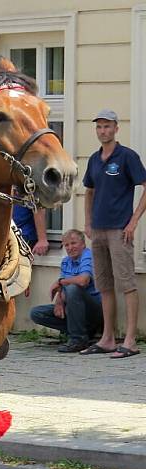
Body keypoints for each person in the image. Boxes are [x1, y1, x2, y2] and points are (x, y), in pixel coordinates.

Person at [81, 109, 146, 359]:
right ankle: (108, 338)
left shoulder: (127, 156)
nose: (103, 131)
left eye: (107, 126)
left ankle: (130, 340)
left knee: (126, 284)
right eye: (99, 127)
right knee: (105, 285)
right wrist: (87, 222)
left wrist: (133, 222)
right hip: (97, 230)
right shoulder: (94, 159)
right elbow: (88, 191)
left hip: (120, 230)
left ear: (116, 128)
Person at [30, 230, 102, 353]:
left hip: (93, 310)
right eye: (66, 245)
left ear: (83, 244)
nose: (70, 248)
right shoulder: (65, 261)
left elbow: (83, 281)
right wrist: (59, 300)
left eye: (73, 243)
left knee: (73, 288)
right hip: (73, 309)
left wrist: (60, 282)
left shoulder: (88, 256)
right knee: (36, 313)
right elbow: (63, 287)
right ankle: (82, 332)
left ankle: (78, 339)